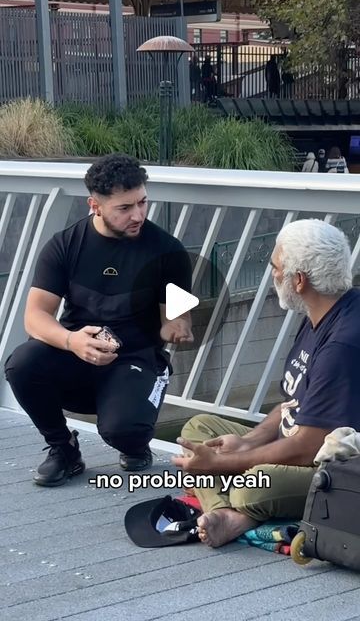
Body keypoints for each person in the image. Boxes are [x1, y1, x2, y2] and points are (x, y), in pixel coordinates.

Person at [4, 153, 193, 487]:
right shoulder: (64, 245)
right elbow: (35, 317)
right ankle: (63, 450)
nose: (138, 215)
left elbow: (175, 321)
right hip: (78, 352)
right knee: (21, 363)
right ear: (95, 205)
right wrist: (71, 341)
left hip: (136, 359)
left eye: (142, 203)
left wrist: (177, 326)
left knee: (123, 432)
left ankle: (134, 442)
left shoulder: (169, 251)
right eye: (124, 208)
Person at [173, 219, 360, 548]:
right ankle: (226, 514)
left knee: (252, 486)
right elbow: (294, 402)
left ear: (299, 280)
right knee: (198, 427)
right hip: (298, 445)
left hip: (336, 466)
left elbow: (307, 448)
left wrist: (222, 463)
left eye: (275, 267)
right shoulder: (321, 312)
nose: (271, 275)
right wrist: (250, 441)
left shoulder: (341, 345)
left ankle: (234, 510)